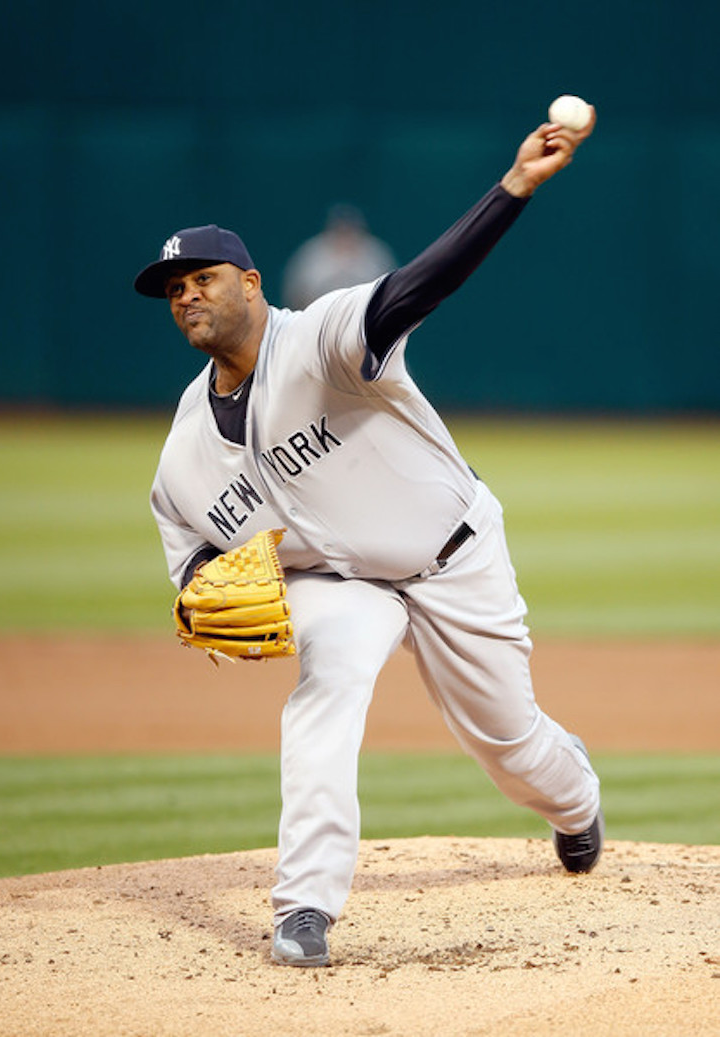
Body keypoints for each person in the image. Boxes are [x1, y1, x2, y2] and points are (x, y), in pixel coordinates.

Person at [134, 108, 603, 969]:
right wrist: (206, 593)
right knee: (330, 682)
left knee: (510, 744)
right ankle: (305, 904)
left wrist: (513, 189)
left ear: (250, 280)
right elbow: (192, 555)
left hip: (452, 555)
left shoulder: (322, 338)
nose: (186, 295)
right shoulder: (184, 449)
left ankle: (575, 804)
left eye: (201, 277)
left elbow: (421, 284)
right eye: (173, 290)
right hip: (340, 584)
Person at [281, 203, 397, 309]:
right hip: (320, 322)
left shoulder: (376, 255)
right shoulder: (312, 256)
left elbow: (391, 295)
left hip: (366, 324)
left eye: (350, 230)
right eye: (341, 230)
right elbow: (295, 295)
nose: (346, 235)